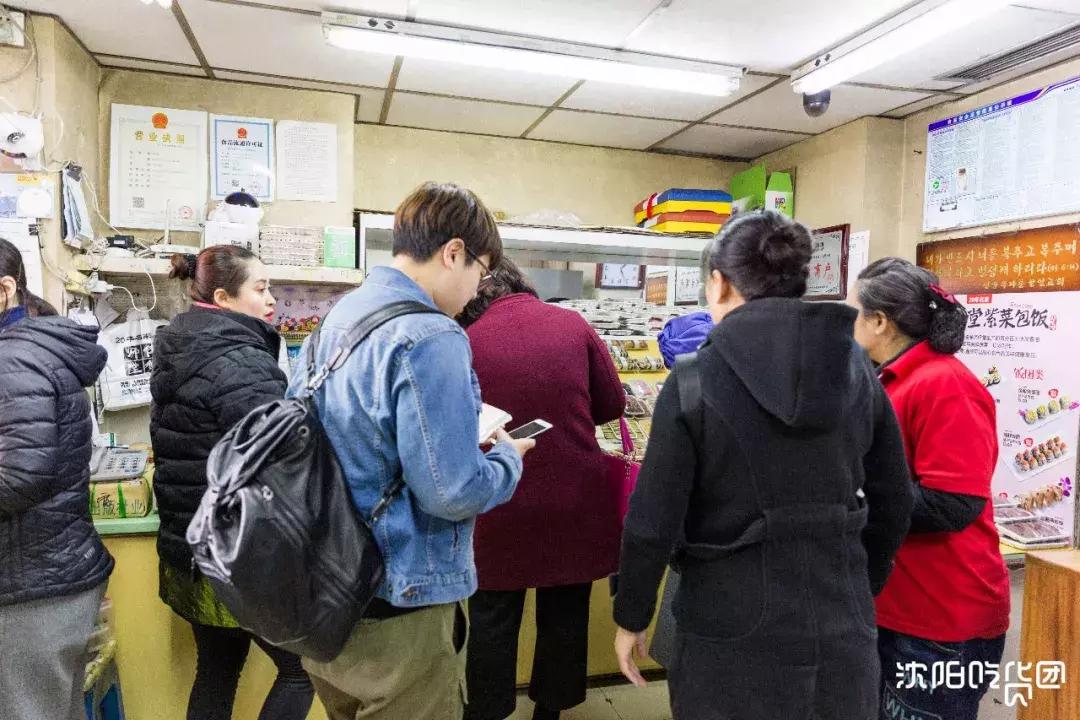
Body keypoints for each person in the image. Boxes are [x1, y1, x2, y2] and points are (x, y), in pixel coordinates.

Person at [612, 211, 913, 720]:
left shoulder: (693, 382)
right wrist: (863, 581)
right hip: (841, 618)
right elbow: (895, 497)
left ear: (718, 283)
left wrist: (632, 615)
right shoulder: (859, 370)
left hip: (726, 627)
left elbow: (653, 519)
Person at [288, 182, 534, 720]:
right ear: (453, 252)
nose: (477, 290)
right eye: (481, 271)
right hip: (401, 599)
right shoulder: (431, 334)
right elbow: (451, 491)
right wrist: (508, 458)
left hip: (326, 595)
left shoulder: (337, 318)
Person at [150, 245, 314, 720]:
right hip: (236, 553)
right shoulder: (240, 359)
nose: (272, 301)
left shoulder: (180, 345)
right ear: (223, 297)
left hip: (191, 548)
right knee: (301, 669)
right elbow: (283, 458)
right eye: (261, 289)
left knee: (218, 668)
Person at [458, 260, 626, 720]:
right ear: (524, 286)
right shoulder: (572, 324)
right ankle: (549, 713)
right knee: (565, 614)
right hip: (573, 498)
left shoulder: (464, 340)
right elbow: (613, 402)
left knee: (491, 618)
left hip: (496, 498)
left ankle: (487, 712)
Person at [851, 258, 1010, 720]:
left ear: (879, 322)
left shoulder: (943, 385)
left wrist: (853, 492)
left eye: (852, 313)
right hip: (897, 605)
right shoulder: (891, 377)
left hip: (941, 620)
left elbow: (952, 504)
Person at [0, 238, 112, 719]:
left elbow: (20, 474)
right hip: (49, 571)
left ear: (5, 289)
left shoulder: (12, 360)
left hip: (32, 582)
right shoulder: (28, 351)